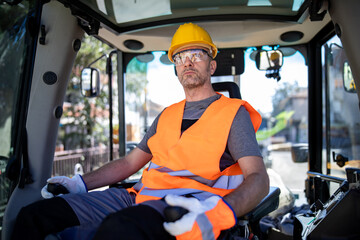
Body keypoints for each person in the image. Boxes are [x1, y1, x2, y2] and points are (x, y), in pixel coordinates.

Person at [12, 23, 269, 240]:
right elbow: (128, 163)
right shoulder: (167, 115)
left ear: (212, 66)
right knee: (33, 216)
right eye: (180, 57)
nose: (187, 62)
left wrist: (219, 213)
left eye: (196, 55)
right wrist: (80, 183)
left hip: (183, 206)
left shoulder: (234, 114)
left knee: (119, 230)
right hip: (135, 196)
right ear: (176, 69)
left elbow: (258, 178)